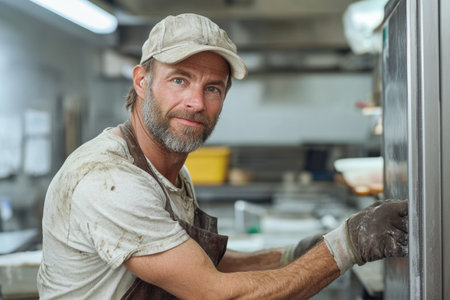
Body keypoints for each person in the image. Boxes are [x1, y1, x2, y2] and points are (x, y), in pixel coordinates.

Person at [37, 13, 408, 299]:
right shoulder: (109, 181)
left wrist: (299, 252)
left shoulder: (169, 173)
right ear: (141, 81)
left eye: (212, 88)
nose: (196, 103)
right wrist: (347, 245)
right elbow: (214, 292)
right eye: (179, 80)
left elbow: (192, 261)